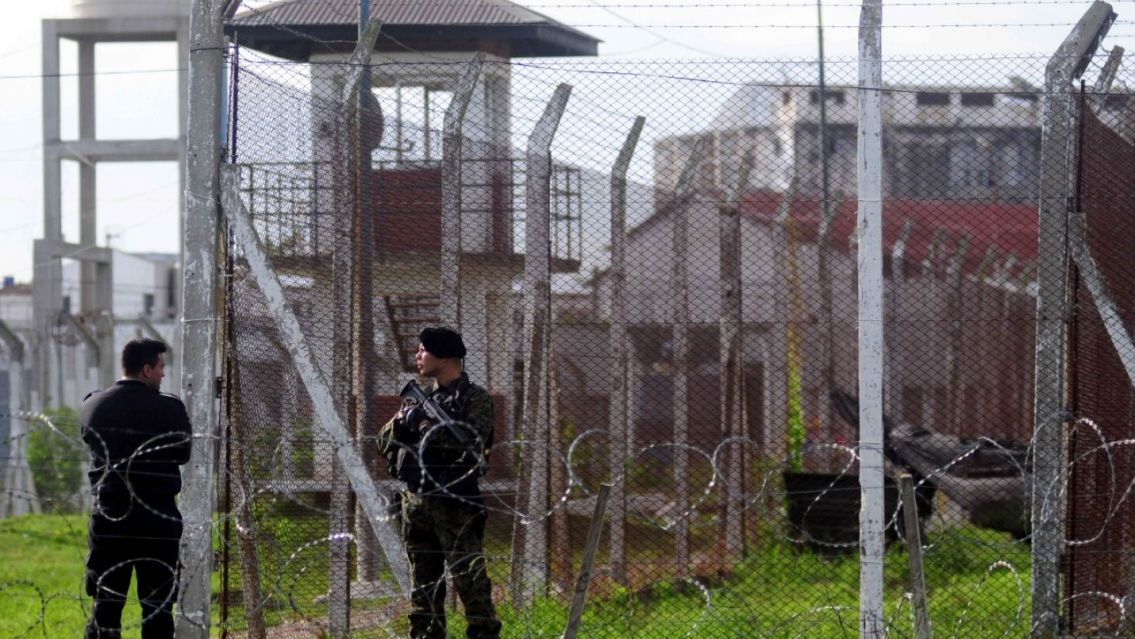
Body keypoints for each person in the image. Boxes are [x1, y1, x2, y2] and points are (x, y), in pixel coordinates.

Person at [378, 327, 502, 639]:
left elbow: (471, 442)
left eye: (423, 350)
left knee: (471, 583)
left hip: (455, 505)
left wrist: (425, 425)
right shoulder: (419, 400)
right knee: (424, 589)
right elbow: (382, 441)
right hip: (417, 505)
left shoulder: (475, 399)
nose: (417, 356)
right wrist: (403, 422)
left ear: (445, 357)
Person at [80, 338, 192, 639]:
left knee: (106, 607)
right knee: (157, 609)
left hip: (110, 519)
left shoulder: (93, 404)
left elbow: (90, 441)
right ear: (146, 370)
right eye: (160, 368)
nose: (163, 374)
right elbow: (183, 454)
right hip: (157, 521)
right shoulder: (169, 409)